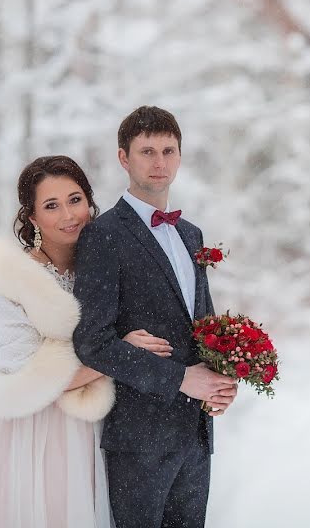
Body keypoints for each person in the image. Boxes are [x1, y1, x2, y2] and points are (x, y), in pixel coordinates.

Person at [0, 155, 172, 528]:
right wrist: (120, 355)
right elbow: (28, 379)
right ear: (32, 218)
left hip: (102, 427)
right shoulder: (12, 281)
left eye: (75, 199)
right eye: (51, 205)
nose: (68, 215)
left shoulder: (107, 266)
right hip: (36, 437)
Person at [73, 106, 239, 528]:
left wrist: (220, 382)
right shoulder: (103, 235)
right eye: (147, 151)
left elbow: (204, 328)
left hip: (196, 435)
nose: (159, 162)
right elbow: (93, 342)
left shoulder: (191, 235)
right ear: (123, 158)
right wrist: (181, 379)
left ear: (181, 156)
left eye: (169, 150)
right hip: (139, 438)